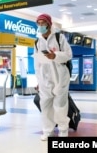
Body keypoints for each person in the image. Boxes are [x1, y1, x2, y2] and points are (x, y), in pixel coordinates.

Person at [33, 13, 72, 141]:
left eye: (42, 23)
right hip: (45, 78)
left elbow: (68, 54)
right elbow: (37, 64)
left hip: (60, 77)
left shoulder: (59, 37)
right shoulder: (37, 42)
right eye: (38, 23)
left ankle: (63, 129)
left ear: (49, 24)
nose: (40, 26)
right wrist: (38, 80)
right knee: (45, 105)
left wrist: (55, 56)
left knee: (60, 105)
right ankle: (48, 130)